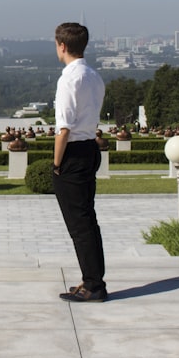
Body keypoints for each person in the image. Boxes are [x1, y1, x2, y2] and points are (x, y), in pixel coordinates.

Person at [52, 22, 107, 303]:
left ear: (62, 45)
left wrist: (56, 165)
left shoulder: (69, 79)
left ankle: (94, 285)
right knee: (88, 221)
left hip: (73, 154)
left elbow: (63, 130)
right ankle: (92, 280)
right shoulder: (94, 75)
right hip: (89, 149)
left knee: (80, 225)